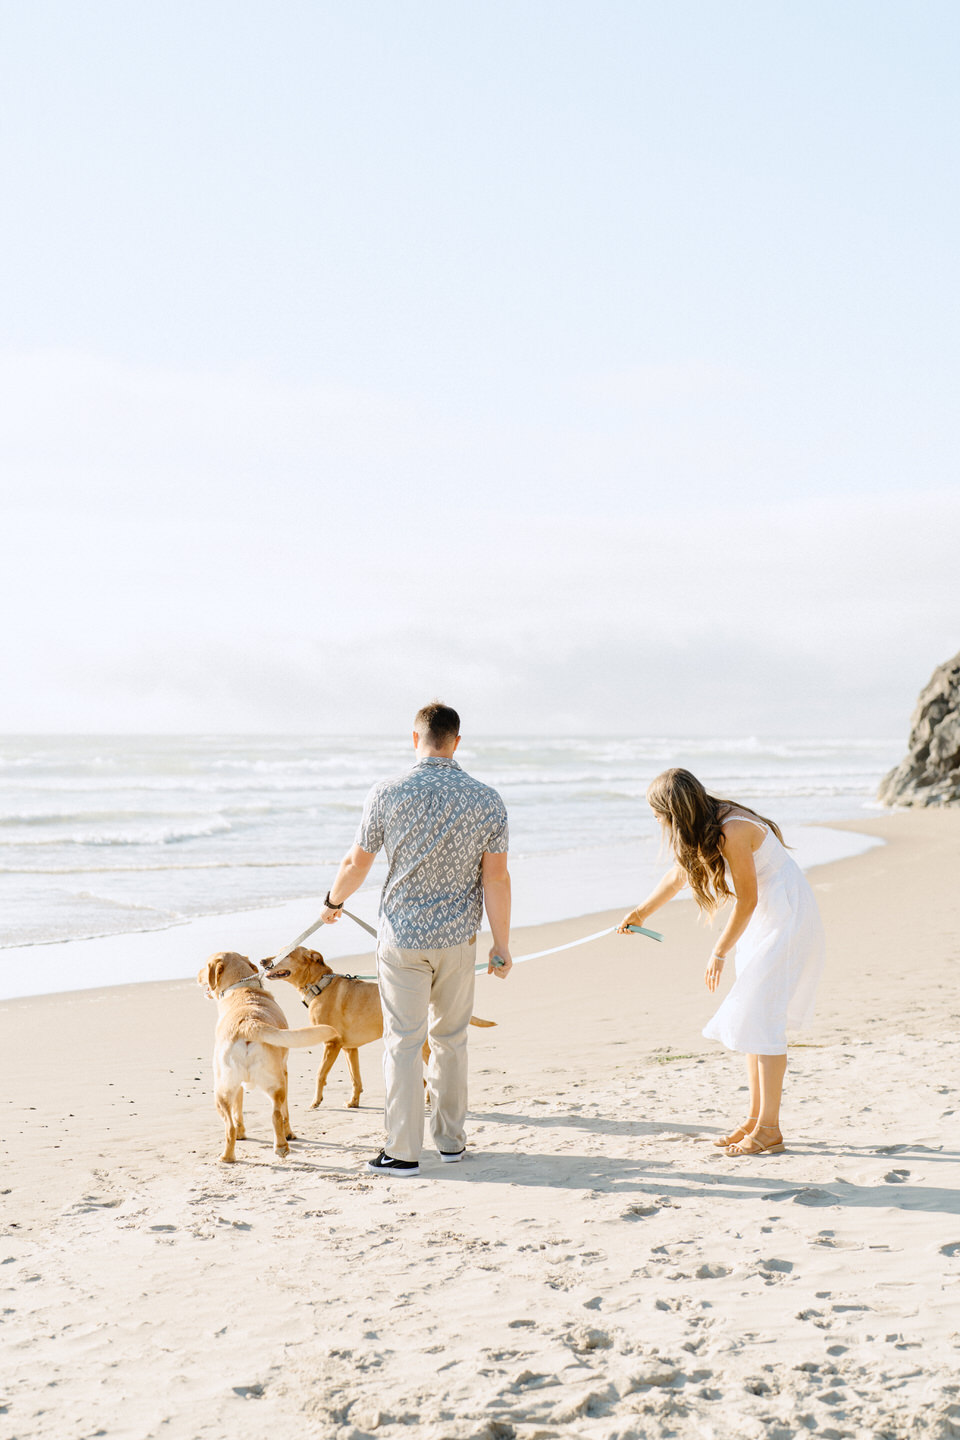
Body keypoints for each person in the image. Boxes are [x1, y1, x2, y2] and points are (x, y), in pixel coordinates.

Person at [320, 701, 512, 1176]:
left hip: (403, 938)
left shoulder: (387, 791)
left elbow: (356, 864)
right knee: (451, 1040)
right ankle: (450, 1143)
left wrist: (333, 902)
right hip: (458, 939)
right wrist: (501, 944)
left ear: (415, 738)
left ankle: (403, 1152)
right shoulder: (486, 798)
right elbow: (497, 879)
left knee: (403, 1043)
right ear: (457, 741)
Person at [617, 767, 824, 1156]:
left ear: (675, 812)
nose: (658, 821)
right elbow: (678, 876)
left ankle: (769, 1129)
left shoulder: (732, 830)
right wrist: (640, 913)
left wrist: (719, 952)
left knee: (765, 1019)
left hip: (786, 916)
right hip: (766, 917)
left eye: (659, 814)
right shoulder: (710, 823)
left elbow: (748, 898)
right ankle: (754, 1119)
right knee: (752, 1016)